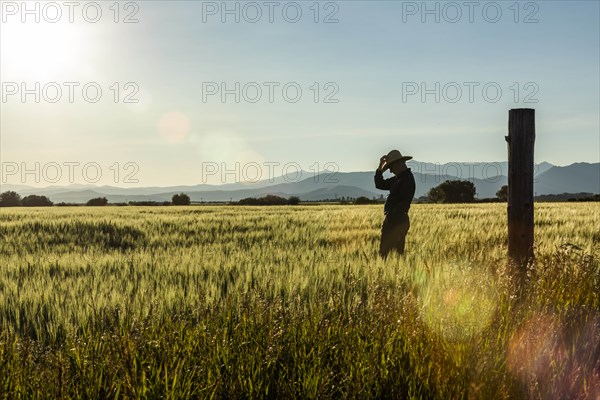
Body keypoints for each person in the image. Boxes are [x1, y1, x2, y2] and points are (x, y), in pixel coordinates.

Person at [374, 149, 416, 258]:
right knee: (388, 255)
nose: (391, 171)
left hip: (397, 221)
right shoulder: (399, 178)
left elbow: (402, 204)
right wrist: (380, 169)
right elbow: (380, 184)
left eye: (391, 168)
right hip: (395, 220)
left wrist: (391, 217)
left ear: (399, 164)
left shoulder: (407, 179)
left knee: (389, 254)